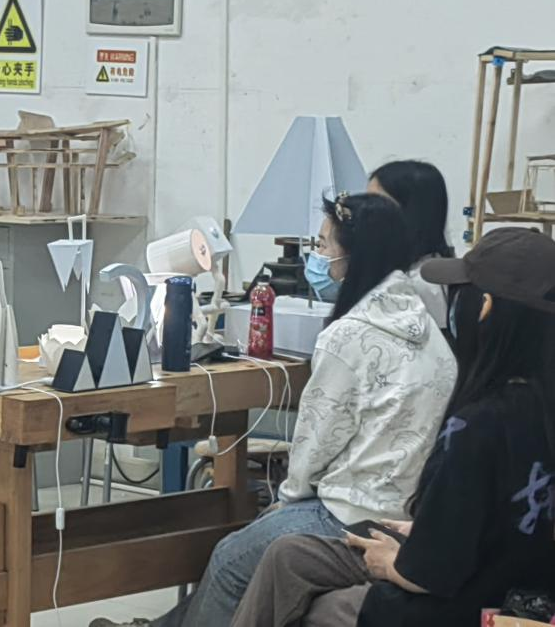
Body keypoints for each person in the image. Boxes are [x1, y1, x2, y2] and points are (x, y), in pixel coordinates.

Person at [90, 193, 458, 627]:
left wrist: (286, 501)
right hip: (407, 512)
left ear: (354, 256)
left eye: (323, 245)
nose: (317, 258)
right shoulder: (433, 334)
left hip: (350, 513)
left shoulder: (349, 336)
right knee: (243, 548)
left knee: (231, 558)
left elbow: (316, 440)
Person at [231, 227, 555, 627]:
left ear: (485, 309)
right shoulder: (532, 408)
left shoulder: (479, 425)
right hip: (487, 576)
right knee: (289, 556)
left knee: (311, 602)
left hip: (462, 603)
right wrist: (428, 529)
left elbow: (429, 576)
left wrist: (392, 562)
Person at [367, 160, 455, 328]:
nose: (365, 212)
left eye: (376, 203)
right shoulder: (399, 271)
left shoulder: (422, 282)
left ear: (412, 212)